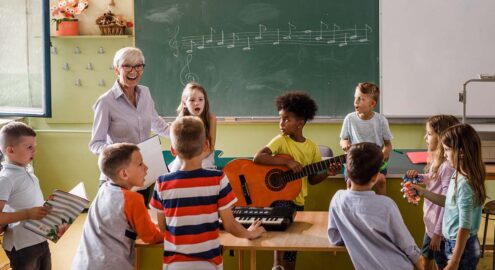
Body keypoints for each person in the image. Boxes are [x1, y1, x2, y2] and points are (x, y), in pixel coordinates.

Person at [150, 116, 265, 270]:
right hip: (209, 264)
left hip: (174, 265)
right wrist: (249, 233)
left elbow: (163, 227)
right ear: (206, 146)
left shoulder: (162, 182)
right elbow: (230, 225)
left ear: (172, 149)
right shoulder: (217, 179)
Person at [253, 91, 340, 270]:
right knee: (281, 226)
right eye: (280, 118)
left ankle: (286, 267)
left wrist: (327, 174)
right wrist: (287, 161)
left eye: (286, 119)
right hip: (279, 200)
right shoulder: (280, 141)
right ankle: (277, 266)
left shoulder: (312, 148)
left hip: (298, 201)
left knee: (293, 247)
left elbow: (313, 179)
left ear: (300, 123)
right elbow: (258, 157)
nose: (281, 123)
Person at [88, 46, 170, 203]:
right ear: (117, 70)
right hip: (118, 180)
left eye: (138, 66)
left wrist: (181, 136)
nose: (134, 71)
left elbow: (157, 125)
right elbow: (95, 144)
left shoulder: (145, 93)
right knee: (119, 226)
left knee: (138, 224)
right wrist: (120, 153)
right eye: (127, 66)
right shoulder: (105, 102)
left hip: (141, 177)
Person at [328, 142, 422, 270]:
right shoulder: (386, 205)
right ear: (375, 177)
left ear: (348, 172)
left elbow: (335, 238)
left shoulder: (337, 199)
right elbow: (407, 245)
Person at [72, 143, 164, 270]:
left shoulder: (104, 189)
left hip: (84, 263)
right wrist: (170, 234)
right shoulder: (133, 199)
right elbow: (151, 236)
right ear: (124, 174)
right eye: (140, 164)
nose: (146, 168)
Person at [412, 124, 486, 270]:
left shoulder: (465, 184)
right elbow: (448, 202)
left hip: (462, 247)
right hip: (455, 243)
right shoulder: (457, 173)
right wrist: (423, 192)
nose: (444, 154)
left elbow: (464, 227)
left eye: (446, 150)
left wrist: (454, 261)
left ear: (461, 152)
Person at [405, 115, 459, 270]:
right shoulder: (439, 162)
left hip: (439, 231)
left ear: (442, 137)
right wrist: (419, 177)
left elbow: (446, 202)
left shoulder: (447, 167)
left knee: (442, 265)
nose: (425, 137)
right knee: (425, 261)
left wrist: (437, 234)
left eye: (429, 133)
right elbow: (433, 178)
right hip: (431, 226)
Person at [0, 122, 51, 270]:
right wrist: (28, 213)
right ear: (10, 150)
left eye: (35, 146)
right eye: (29, 147)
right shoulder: (5, 179)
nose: (34, 151)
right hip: (21, 245)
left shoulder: (28, 170)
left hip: (40, 238)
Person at [339, 82, 392, 195]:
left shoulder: (381, 120)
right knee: (350, 182)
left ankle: (381, 210)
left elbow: (388, 145)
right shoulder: (349, 119)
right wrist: (345, 143)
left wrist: (383, 156)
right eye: (355, 98)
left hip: (375, 161)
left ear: (372, 104)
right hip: (355, 161)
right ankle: (352, 209)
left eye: (360, 99)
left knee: (381, 180)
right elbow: (343, 139)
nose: (355, 102)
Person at [168, 82, 217, 171]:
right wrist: (188, 160)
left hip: (205, 155)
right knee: (174, 171)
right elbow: (176, 146)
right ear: (184, 103)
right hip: (184, 156)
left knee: (204, 169)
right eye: (192, 100)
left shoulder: (211, 119)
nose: (197, 103)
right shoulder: (180, 119)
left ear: (205, 101)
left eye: (201, 99)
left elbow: (211, 147)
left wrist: (195, 160)